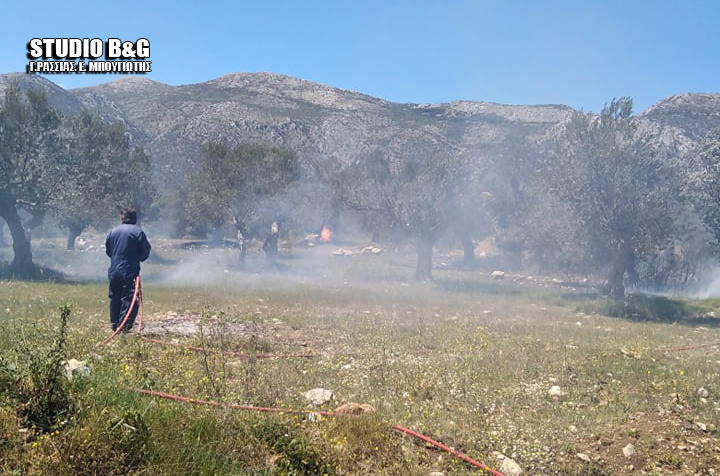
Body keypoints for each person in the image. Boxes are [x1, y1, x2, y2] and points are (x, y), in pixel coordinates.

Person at [105, 207, 151, 332]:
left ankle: (115, 325)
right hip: (129, 271)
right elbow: (146, 250)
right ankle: (124, 327)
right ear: (135, 219)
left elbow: (109, 251)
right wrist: (139, 258)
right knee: (129, 299)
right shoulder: (138, 232)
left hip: (114, 270)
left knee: (115, 297)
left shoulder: (113, 232)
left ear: (122, 218)